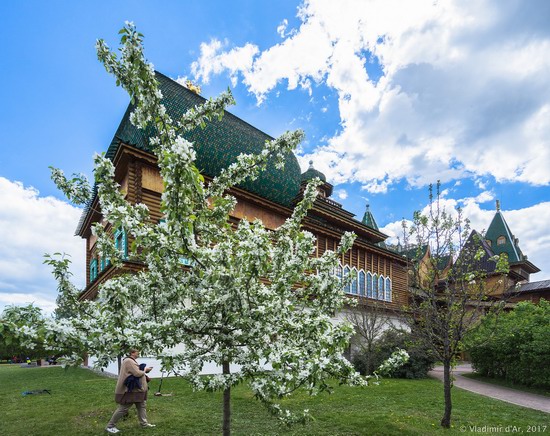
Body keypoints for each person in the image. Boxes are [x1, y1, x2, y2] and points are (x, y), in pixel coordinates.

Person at [105, 349, 156, 433]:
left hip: (137, 390)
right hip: (132, 390)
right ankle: (110, 426)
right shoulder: (128, 361)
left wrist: (144, 372)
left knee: (141, 405)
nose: (139, 353)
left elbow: (135, 372)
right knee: (124, 408)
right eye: (137, 352)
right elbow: (137, 373)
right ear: (132, 353)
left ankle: (144, 424)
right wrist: (146, 370)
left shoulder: (131, 361)